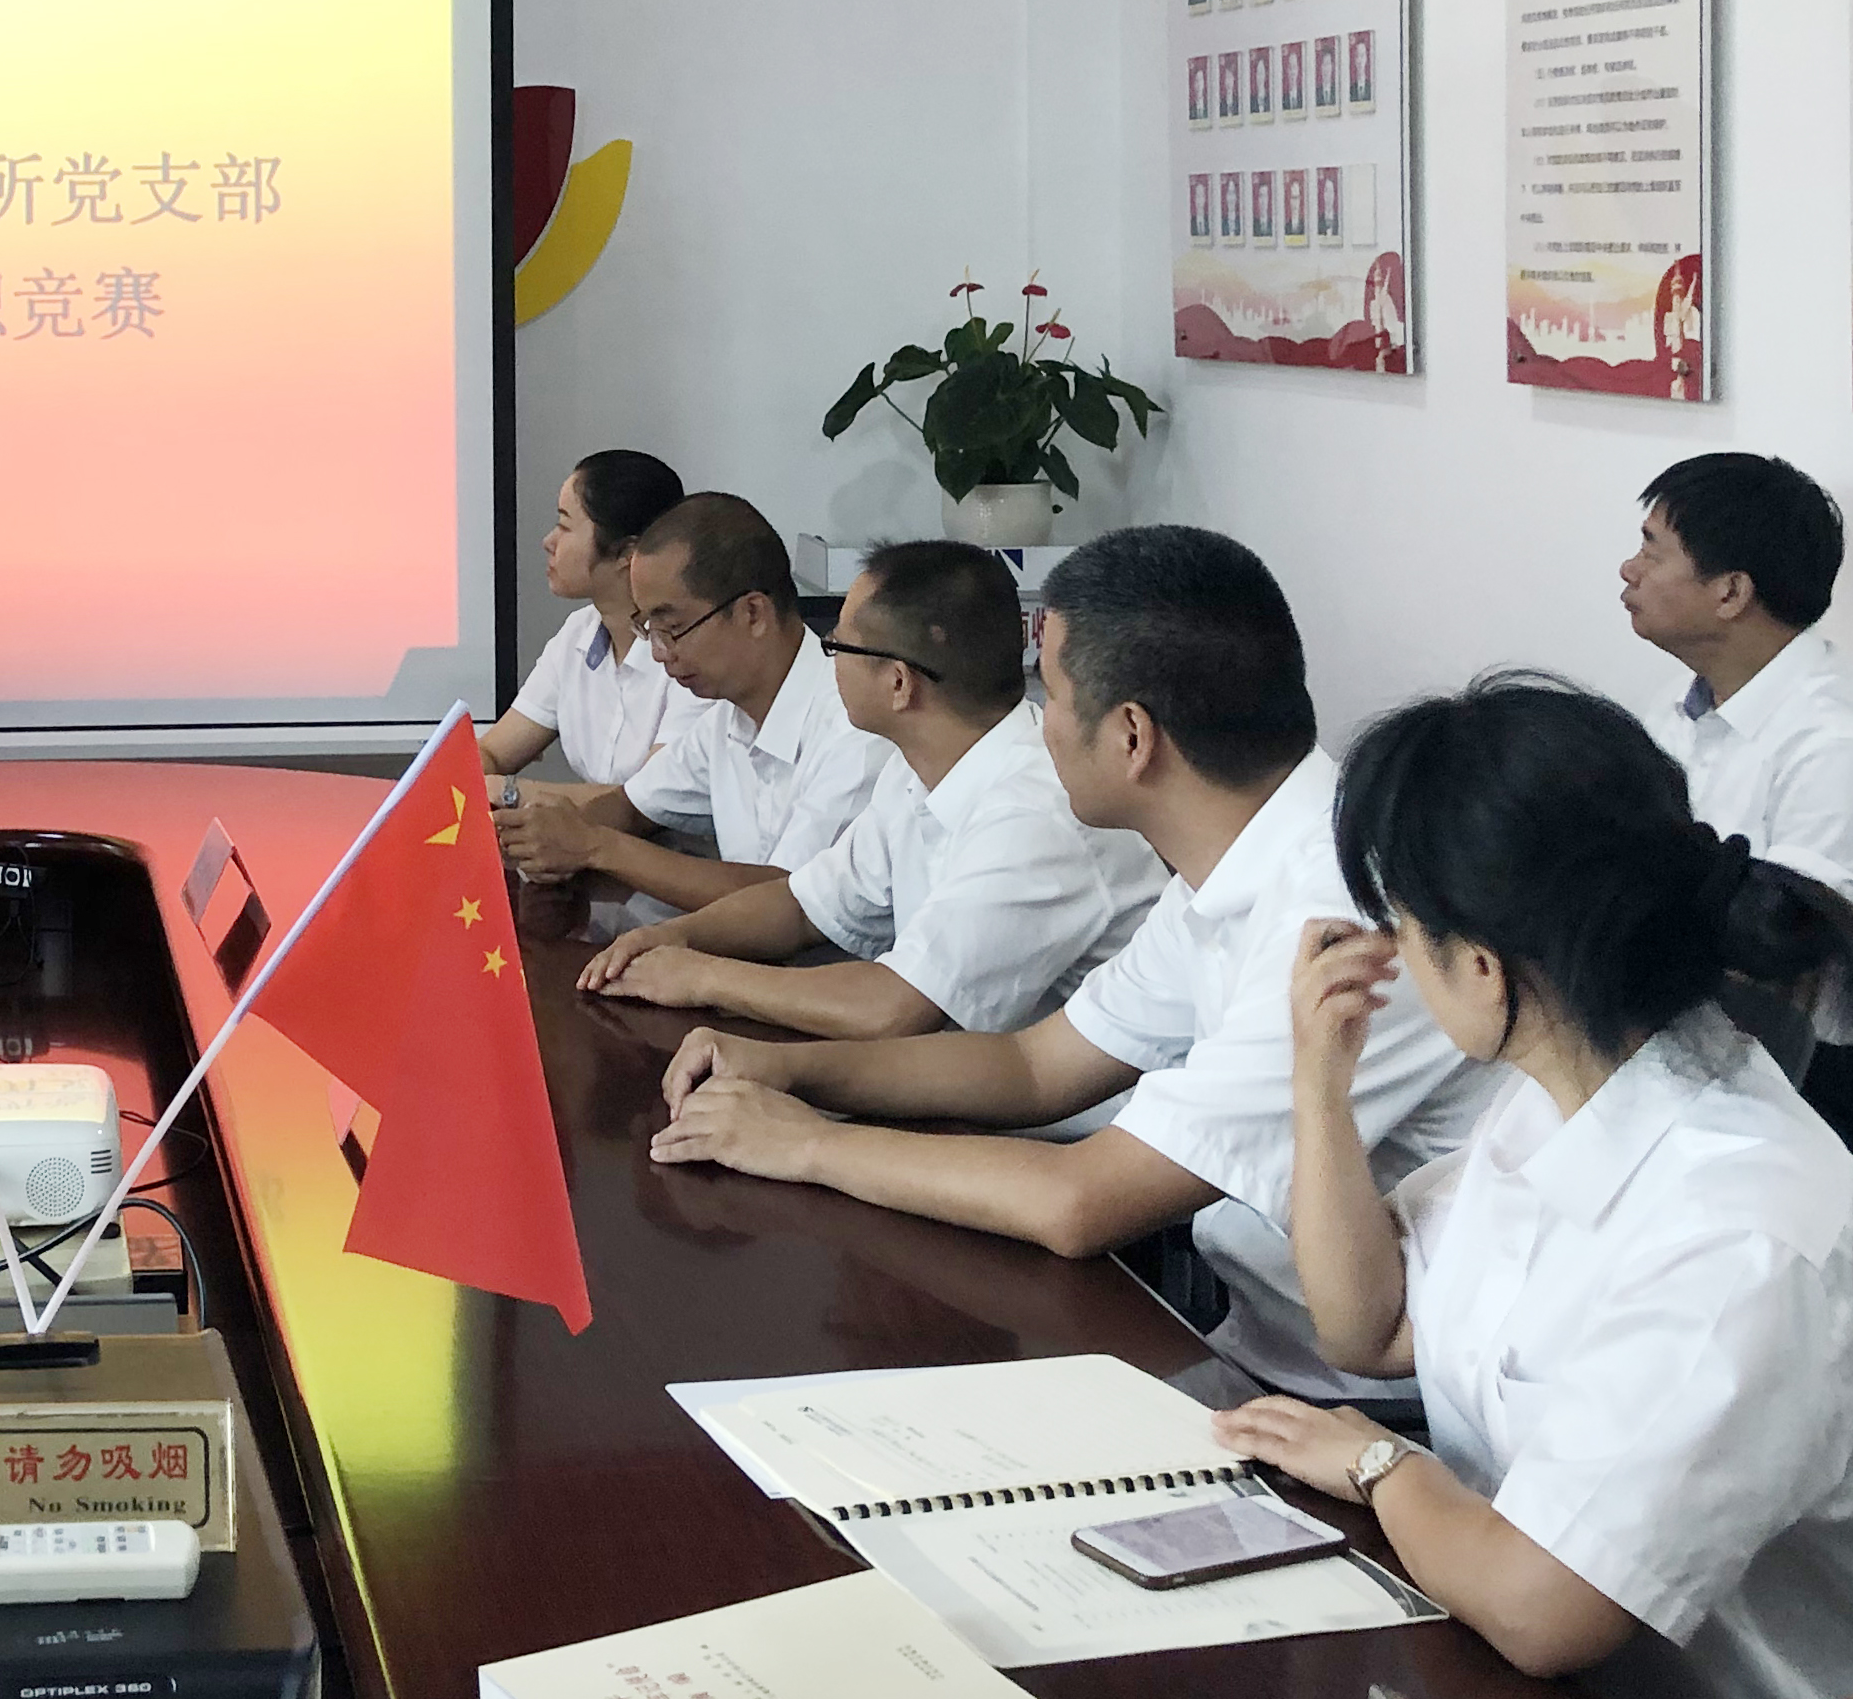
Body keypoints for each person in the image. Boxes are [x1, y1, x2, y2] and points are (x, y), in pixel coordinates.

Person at [650, 525, 1490, 1400]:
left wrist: (808, 1145)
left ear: (1130, 736)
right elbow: (1034, 1065)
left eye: (1047, 694)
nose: (1037, 725)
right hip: (1252, 1348)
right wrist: (789, 1070)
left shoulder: (1336, 912)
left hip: (1377, 1415)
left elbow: (1080, 1201)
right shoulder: (1240, 858)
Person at [1215, 675, 1853, 1697]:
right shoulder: (1564, 1094)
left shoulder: (1740, 1237)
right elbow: (1369, 1326)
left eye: (1402, 924)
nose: (1392, 953)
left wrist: (1380, 1467)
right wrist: (1319, 1081)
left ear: (1483, 969)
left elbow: (1540, 1608)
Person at [577, 540, 1164, 1044]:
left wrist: (702, 977)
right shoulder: (915, 770)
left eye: (839, 646)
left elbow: (893, 1006)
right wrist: (672, 937)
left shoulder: (1033, 812)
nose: (826, 659)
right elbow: (802, 905)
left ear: (899, 683)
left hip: (1067, 1123)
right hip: (961, 1088)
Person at [1625, 452, 1853, 1042]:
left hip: (1806, 1068)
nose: (1630, 569)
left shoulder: (1843, 751)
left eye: (1653, 551)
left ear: (1731, 592)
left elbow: (1779, 967)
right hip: (1687, 1033)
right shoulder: (1680, 701)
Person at [491, 493, 887, 913]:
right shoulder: (726, 718)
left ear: (753, 613)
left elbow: (789, 900)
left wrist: (595, 847)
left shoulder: (856, 727)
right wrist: (542, 834)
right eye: (650, 629)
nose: (659, 652)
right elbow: (631, 805)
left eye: (674, 628)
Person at [477, 449, 694, 804]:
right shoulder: (578, 632)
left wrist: (511, 791)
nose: (548, 542)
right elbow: (493, 752)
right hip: (589, 840)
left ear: (627, 553)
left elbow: (650, 802)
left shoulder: (689, 651)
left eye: (565, 526)